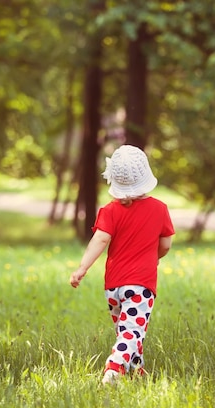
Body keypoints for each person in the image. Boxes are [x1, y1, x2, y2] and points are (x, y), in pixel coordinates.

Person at [70, 144, 175, 385]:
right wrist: (153, 257)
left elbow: (100, 239)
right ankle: (115, 366)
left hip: (113, 287)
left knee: (126, 329)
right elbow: (166, 244)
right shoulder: (159, 209)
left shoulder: (109, 211)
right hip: (141, 285)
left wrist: (82, 268)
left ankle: (136, 370)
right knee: (132, 330)